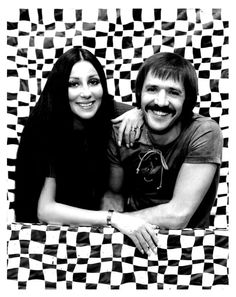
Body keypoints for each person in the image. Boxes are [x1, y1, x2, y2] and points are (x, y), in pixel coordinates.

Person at [101, 52, 223, 255]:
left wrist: (119, 219)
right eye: (152, 89)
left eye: (174, 92)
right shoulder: (123, 131)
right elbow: (113, 196)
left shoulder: (204, 132)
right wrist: (115, 226)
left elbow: (178, 215)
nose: (161, 101)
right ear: (139, 93)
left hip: (188, 249)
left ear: (188, 100)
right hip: (129, 240)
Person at [14, 47, 143, 226]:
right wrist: (112, 218)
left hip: (106, 225)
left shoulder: (114, 112)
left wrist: (141, 113)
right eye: (74, 84)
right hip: (51, 231)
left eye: (93, 82)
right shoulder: (45, 123)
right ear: (60, 88)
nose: (86, 92)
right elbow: (45, 211)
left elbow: (162, 113)